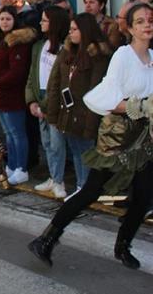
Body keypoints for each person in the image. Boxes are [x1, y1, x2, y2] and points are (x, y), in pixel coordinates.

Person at [28, 3, 153, 270]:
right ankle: (47, 239)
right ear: (129, 28)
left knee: (144, 195)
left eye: (150, 19)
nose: (147, 25)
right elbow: (107, 98)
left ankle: (123, 246)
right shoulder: (123, 55)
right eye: (140, 21)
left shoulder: (152, 56)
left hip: (143, 137)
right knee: (91, 191)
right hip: (116, 135)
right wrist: (139, 106)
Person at [45, 12, 111, 197]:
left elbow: (96, 90)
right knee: (77, 152)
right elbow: (57, 82)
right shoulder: (68, 52)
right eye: (70, 29)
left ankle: (85, 188)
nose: (70, 33)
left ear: (85, 30)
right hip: (68, 114)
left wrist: (90, 123)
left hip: (85, 115)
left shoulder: (98, 56)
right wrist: (53, 113)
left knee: (86, 153)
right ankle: (82, 187)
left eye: (74, 30)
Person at [25, 5, 71, 199]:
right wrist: (32, 101)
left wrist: (45, 104)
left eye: (45, 20)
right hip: (40, 97)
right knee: (46, 142)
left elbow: (62, 82)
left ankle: (59, 180)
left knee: (57, 143)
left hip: (55, 100)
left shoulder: (65, 49)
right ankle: (53, 177)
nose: (40, 23)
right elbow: (32, 76)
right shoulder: (38, 46)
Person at [0, 6, 36, 184]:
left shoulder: (18, 42)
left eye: (8, 19)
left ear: (15, 20)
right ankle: (12, 165)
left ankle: (21, 168)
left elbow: (17, 71)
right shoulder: (0, 40)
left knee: (17, 134)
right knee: (8, 134)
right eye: (2, 19)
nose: (4, 22)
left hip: (12, 96)